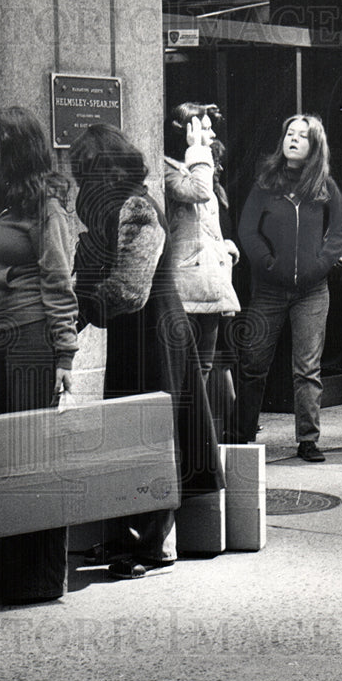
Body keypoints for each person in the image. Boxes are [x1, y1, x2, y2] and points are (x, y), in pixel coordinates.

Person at [71, 123, 223, 578]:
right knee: (130, 436)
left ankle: (155, 546)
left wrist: (80, 306)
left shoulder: (135, 206)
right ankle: (126, 537)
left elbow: (129, 289)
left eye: (83, 169)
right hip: (134, 335)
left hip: (155, 334)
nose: (79, 178)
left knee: (153, 438)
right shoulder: (113, 207)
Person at [0, 106, 79, 603]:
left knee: (32, 455)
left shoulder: (46, 206)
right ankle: (12, 565)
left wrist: (65, 357)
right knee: (9, 455)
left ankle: (40, 575)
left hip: (32, 338)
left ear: (10, 147)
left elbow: (58, 282)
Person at [231, 114, 342, 461]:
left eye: (302, 136)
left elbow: (341, 232)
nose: (294, 139)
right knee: (253, 363)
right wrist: (267, 262)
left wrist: (320, 263)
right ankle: (241, 433)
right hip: (268, 291)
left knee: (307, 368)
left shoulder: (323, 184)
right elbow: (248, 231)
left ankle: (308, 440)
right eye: (289, 133)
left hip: (312, 291)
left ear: (314, 146)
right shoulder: (266, 182)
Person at [163, 102, 240, 385]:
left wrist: (223, 248)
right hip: (185, 284)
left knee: (204, 368)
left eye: (209, 129)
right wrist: (197, 150)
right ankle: (186, 430)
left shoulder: (200, 166)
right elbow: (200, 192)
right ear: (186, 132)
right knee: (185, 370)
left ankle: (201, 429)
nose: (210, 137)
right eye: (203, 129)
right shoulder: (170, 171)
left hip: (209, 279)